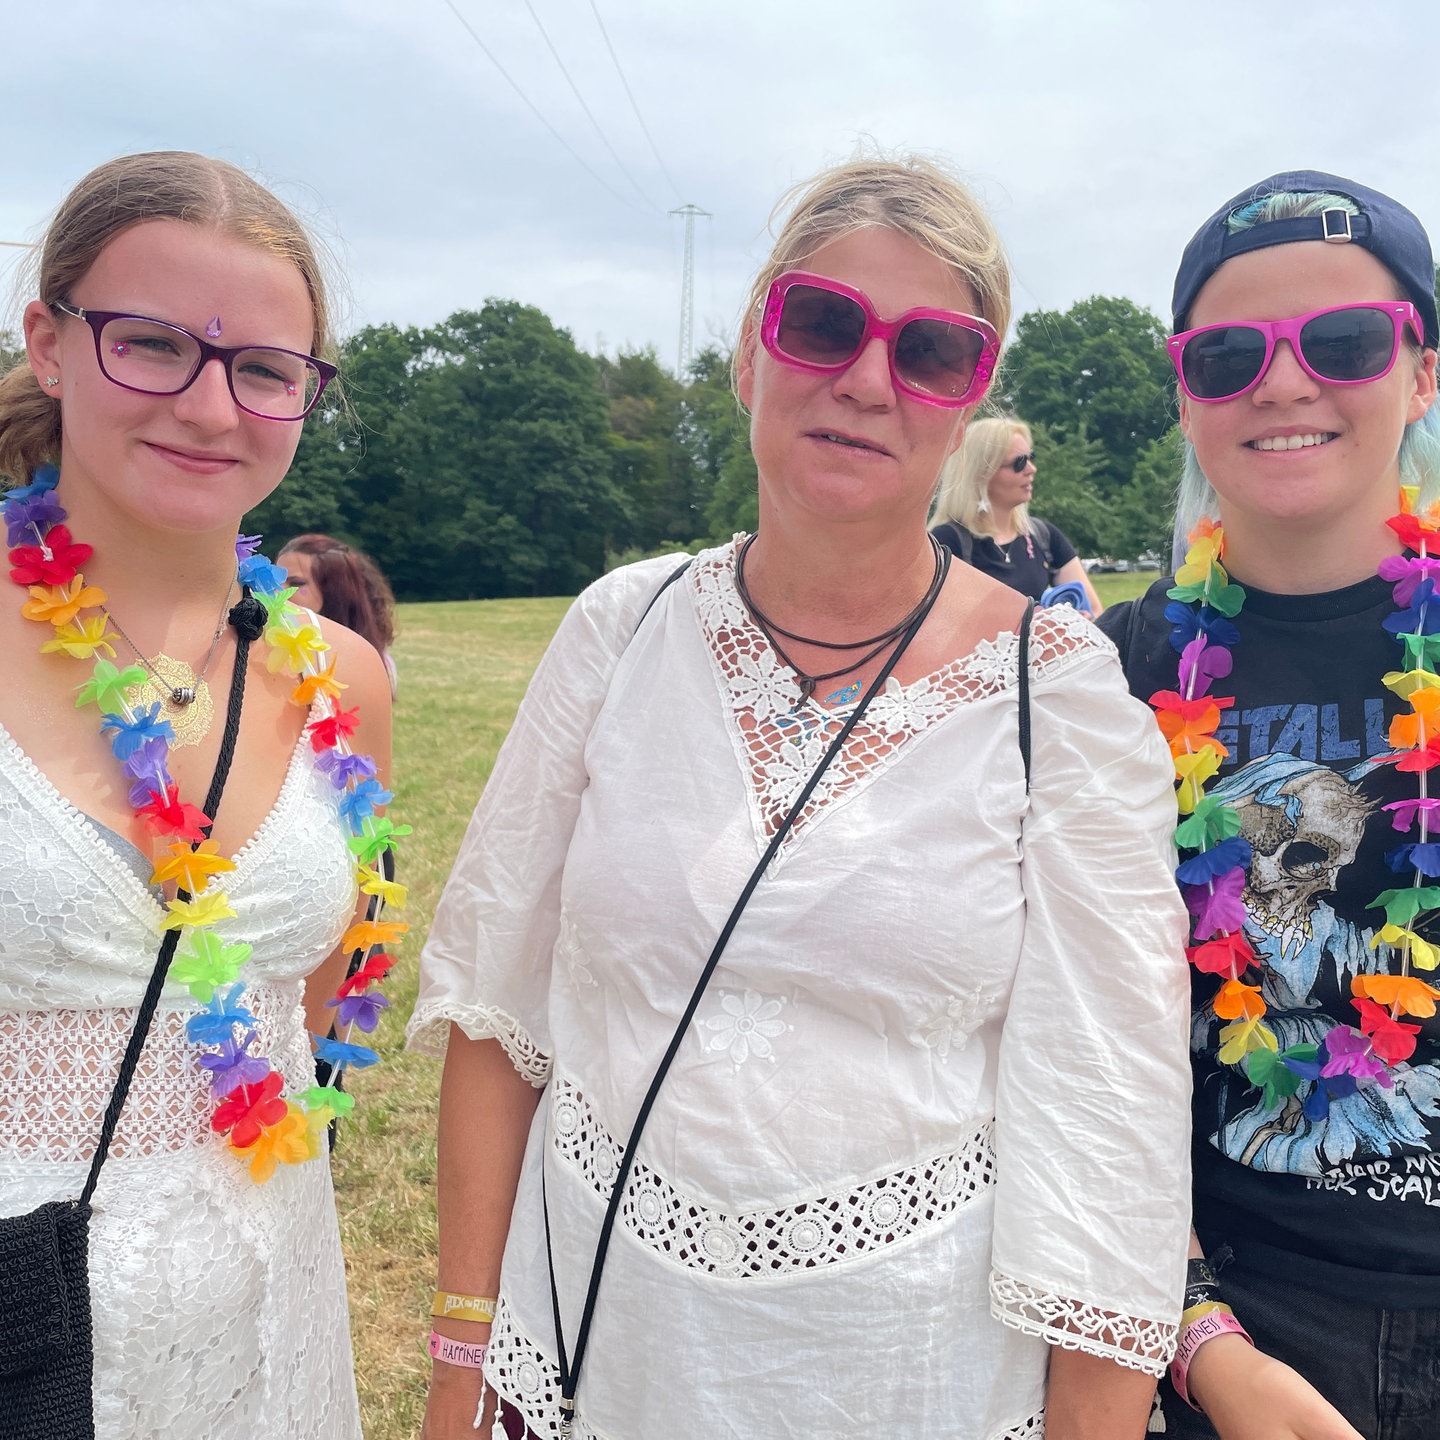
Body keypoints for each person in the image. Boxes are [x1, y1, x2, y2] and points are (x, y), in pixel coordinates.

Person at [411, 154, 1192, 1440]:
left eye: (931, 350)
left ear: (967, 406)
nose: (869, 380)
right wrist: (461, 1370)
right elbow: (501, 1017)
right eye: (824, 322)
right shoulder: (623, 627)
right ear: (750, 351)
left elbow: (1107, 1140)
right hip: (594, 1358)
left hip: (908, 1383)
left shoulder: (1062, 696)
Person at [0, 152, 401, 1438]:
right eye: (155, 344)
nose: (211, 407)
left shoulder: (339, 679)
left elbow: (336, 997)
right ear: (50, 343)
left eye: (264, 369)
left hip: (264, 1334)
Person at [1099, 170, 1440, 1439]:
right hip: (1221, 1327)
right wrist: (1195, 1334)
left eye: (1344, 340)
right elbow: (1077, 1047)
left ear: (1422, 374)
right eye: (1231, 353)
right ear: (1186, 391)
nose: (1285, 384)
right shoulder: (1111, 680)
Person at [930, 416, 1104, 612]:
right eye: (1019, 463)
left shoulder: (1042, 535)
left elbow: (1095, 611)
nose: (1032, 469)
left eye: (1032, 458)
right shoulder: (947, 541)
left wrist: (1080, 621)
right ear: (980, 473)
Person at [278, 533, 399, 696]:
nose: (278, 591)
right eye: (274, 580)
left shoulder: (370, 666)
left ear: (334, 590)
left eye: (296, 583)